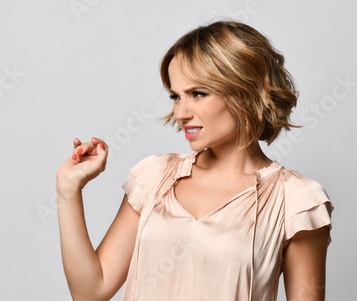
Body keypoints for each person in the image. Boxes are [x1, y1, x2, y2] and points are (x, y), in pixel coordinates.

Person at [56, 20, 334, 301]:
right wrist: (68, 190)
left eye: (198, 94)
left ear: (244, 92)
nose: (181, 112)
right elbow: (90, 292)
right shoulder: (154, 176)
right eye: (176, 96)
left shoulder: (297, 201)